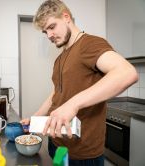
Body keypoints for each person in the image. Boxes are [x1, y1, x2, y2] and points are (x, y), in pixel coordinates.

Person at [20, 0, 138, 165]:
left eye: (52, 27)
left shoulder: (90, 44)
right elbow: (57, 92)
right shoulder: (59, 58)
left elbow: (127, 73)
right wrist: (37, 117)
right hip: (56, 142)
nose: (49, 35)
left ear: (66, 17)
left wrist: (72, 104)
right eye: (45, 31)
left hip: (82, 153)